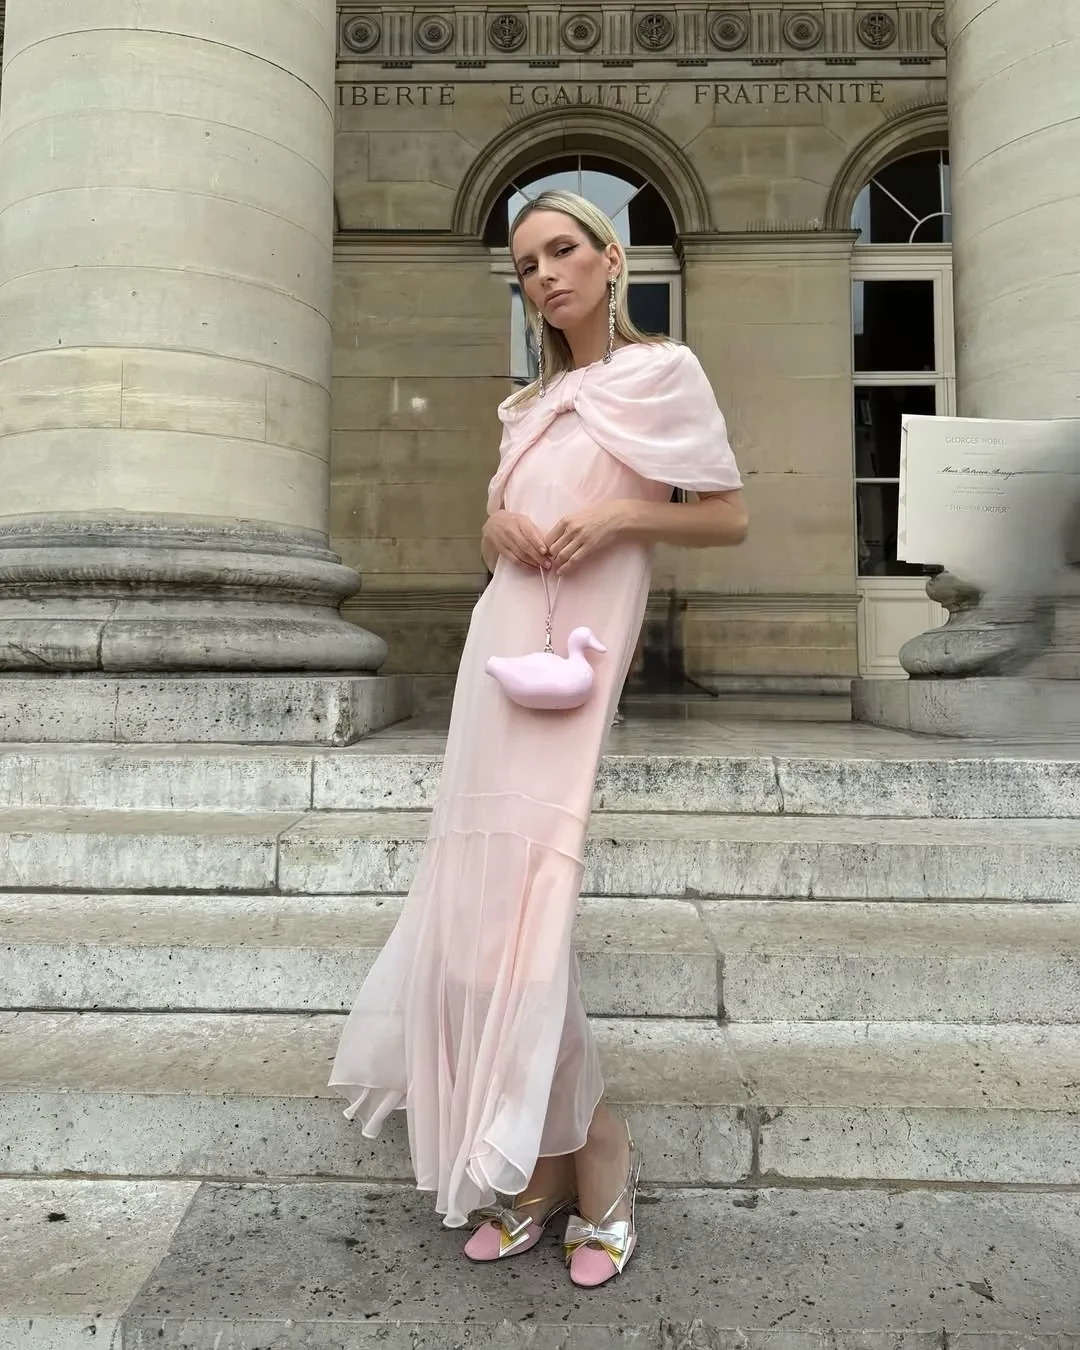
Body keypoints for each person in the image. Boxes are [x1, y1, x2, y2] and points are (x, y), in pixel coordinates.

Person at [329, 188, 747, 1288]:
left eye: (564, 250)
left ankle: (594, 1152)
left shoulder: (663, 373)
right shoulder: (524, 406)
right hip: (500, 653)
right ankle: (552, 1168)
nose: (546, 274)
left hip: (575, 669)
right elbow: (499, 531)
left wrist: (621, 515)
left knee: (530, 913)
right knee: (478, 928)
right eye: (526, 264)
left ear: (612, 259)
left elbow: (727, 514)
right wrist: (495, 528)